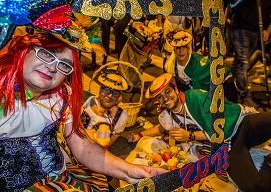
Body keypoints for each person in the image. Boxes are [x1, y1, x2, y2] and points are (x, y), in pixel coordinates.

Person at [0, 30, 167, 191]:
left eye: (63, 65)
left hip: (59, 181)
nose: (52, 68)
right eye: (47, 54)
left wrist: (127, 171)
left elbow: (82, 146)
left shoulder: (62, 95)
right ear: (26, 48)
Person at [137, 73, 271, 192]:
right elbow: (159, 128)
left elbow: (218, 128)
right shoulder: (167, 117)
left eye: (167, 92)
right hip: (226, 148)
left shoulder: (195, 98)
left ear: (175, 89)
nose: (165, 98)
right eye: (160, 97)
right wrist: (140, 135)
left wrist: (191, 136)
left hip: (239, 125)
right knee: (255, 188)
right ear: (158, 102)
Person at [164, 29, 238, 103]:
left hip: (201, 98)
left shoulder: (198, 61)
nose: (181, 51)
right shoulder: (170, 66)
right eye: (178, 48)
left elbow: (220, 72)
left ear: (188, 48)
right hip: (183, 100)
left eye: (184, 47)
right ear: (174, 50)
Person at [229, 0, 271, 108]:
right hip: (241, 29)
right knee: (243, 63)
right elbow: (233, 5)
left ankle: (228, 85)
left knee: (239, 62)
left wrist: (265, 28)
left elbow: (266, 11)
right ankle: (244, 96)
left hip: (255, 30)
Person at [81, 69, 129, 149]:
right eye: (106, 90)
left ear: (119, 97)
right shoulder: (89, 101)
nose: (109, 95)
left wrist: (102, 149)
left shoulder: (122, 116)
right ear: (100, 90)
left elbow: (116, 134)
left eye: (115, 93)